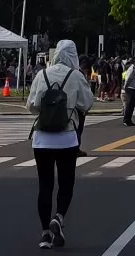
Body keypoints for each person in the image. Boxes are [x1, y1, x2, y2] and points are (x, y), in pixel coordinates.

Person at [26, 40, 93, 251]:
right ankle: (59, 216)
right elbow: (87, 103)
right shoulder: (76, 76)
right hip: (67, 138)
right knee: (66, 183)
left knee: (44, 186)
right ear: (73, 55)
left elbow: (31, 106)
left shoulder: (41, 75)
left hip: (42, 139)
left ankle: (45, 233)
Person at [122, 58, 135, 125]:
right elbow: (128, 78)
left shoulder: (133, 68)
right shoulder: (132, 68)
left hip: (133, 88)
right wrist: (125, 86)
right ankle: (126, 120)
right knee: (129, 105)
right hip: (131, 88)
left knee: (131, 105)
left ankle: (128, 120)